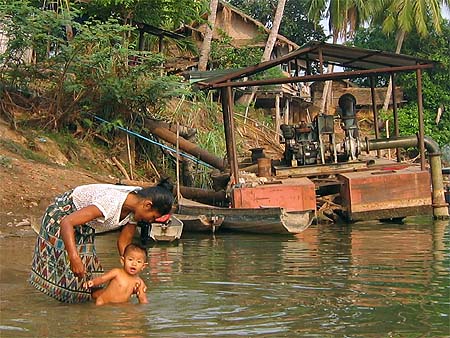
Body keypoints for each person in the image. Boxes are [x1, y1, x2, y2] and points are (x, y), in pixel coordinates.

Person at [29, 179, 174, 303]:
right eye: (153, 217)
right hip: (61, 218)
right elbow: (67, 222)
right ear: (147, 205)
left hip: (84, 225)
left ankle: (88, 310)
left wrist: (131, 275)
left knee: (89, 275)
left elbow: (124, 243)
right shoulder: (110, 203)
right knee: (69, 271)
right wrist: (73, 257)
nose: (151, 221)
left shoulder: (135, 209)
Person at [84, 243, 149, 305]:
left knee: (130, 309)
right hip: (104, 302)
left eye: (139, 261)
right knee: (99, 303)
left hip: (121, 305)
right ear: (122, 261)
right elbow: (103, 279)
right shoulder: (117, 272)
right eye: (130, 259)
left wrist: (143, 303)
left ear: (143, 266)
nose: (134, 264)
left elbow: (142, 297)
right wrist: (93, 282)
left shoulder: (139, 282)